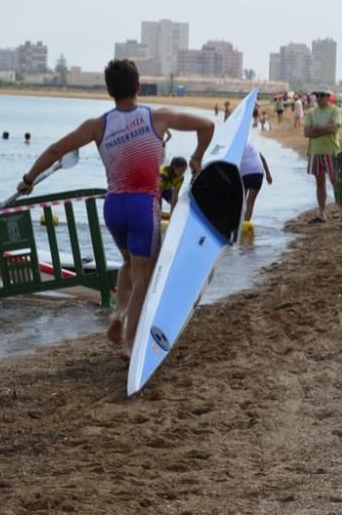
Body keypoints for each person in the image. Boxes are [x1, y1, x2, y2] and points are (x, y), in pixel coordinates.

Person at [16, 59, 215, 357]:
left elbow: (57, 150)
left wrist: (29, 179)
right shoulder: (156, 117)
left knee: (128, 264)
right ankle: (130, 343)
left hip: (114, 206)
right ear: (138, 87)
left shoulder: (97, 125)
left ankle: (119, 313)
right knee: (144, 277)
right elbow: (207, 125)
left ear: (109, 90)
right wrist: (198, 156)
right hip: (143, 205)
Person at [303, 89, 342, 223]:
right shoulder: (310, 112)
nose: (319, 97)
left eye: (322, 95)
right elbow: (307, 133)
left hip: (331, 150)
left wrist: (316, 129)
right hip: (315, 151)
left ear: (328, 96)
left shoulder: (335, 110)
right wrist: (324, 129)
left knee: (335, 180)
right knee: (319, 182)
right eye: (317, 95)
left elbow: (334, 128)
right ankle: (322, 212)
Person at [240, 140, 272, 223]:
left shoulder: (236, 145)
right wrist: (268, 174)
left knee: (241, 202)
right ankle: (246, 225)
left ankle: (238, 225)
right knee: (250, 203)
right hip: (258, 172)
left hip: (245, 174)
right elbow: (262, 158)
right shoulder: (252, 144)